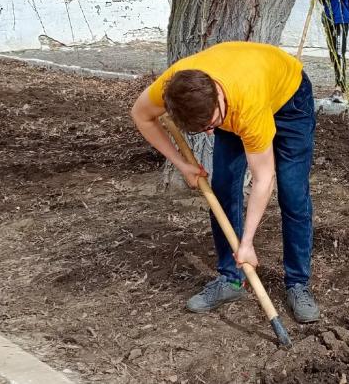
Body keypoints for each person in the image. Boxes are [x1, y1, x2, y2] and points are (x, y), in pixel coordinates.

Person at [130, 41, 321, 323]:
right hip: (234, 101)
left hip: (288, 97)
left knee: (292, 192)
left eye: (211, 125)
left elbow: (263, 178)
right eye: (203, 129)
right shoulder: (175, 86)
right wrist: (182, 163)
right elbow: (141, 115)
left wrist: (247, 243)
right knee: (222, 188)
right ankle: (230, 280)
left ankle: (297, 283)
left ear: (217, 98)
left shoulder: (247, 106)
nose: (209, 133)